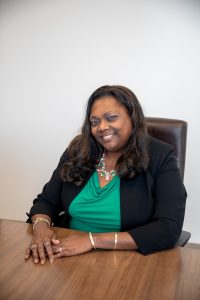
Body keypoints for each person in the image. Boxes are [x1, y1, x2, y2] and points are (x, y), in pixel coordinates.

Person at [25, 85, 187, 264]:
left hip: (128, 261)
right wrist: (41, 228)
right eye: (94, 122)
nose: (101, 127)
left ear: (132, 118)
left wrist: (92, 241)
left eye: (111, 118)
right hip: (66, 252)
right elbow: (46, 201)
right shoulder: (79, 151)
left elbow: (168, 228)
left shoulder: (160, 156)